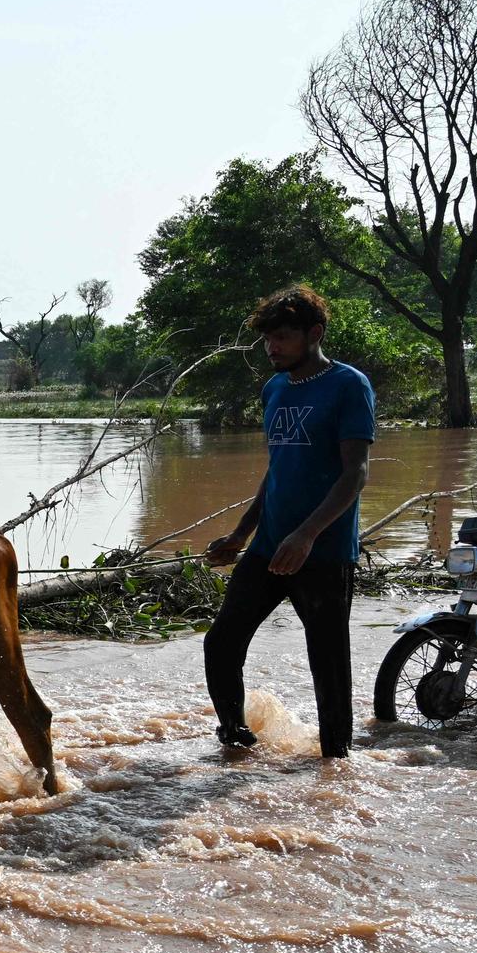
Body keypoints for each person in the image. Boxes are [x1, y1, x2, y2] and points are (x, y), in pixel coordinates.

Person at [203, 286, 376, 760]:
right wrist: (241, 534)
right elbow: (277, 469)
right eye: (267, 339)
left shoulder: (349, 385)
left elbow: (356, 473)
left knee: (327, 661)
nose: (271, 347)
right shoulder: (275, 388)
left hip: (323, 550)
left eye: (282, 337)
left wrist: (306, 534)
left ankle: (336, 762)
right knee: (221, 642)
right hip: (269, 546)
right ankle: (235, 739)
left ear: (314, 334)